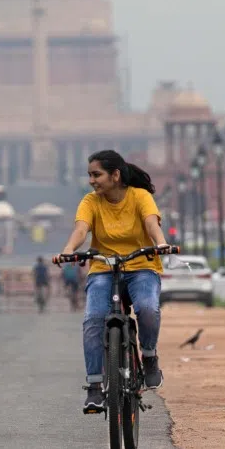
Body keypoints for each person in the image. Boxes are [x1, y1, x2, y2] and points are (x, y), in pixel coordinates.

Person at [58, 150, 169, 413]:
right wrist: (68, 250)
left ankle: (149, 356)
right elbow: (81, 230)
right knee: (94, 318)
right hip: (104, 268)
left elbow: (151, 223)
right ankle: (95, 388)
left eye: (97, 175)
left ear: (115, 175)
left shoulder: (140, 196)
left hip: (141, 266)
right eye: (90, 175)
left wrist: (161, 243)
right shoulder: (90, 201)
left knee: (146, 308)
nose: (92, 181)